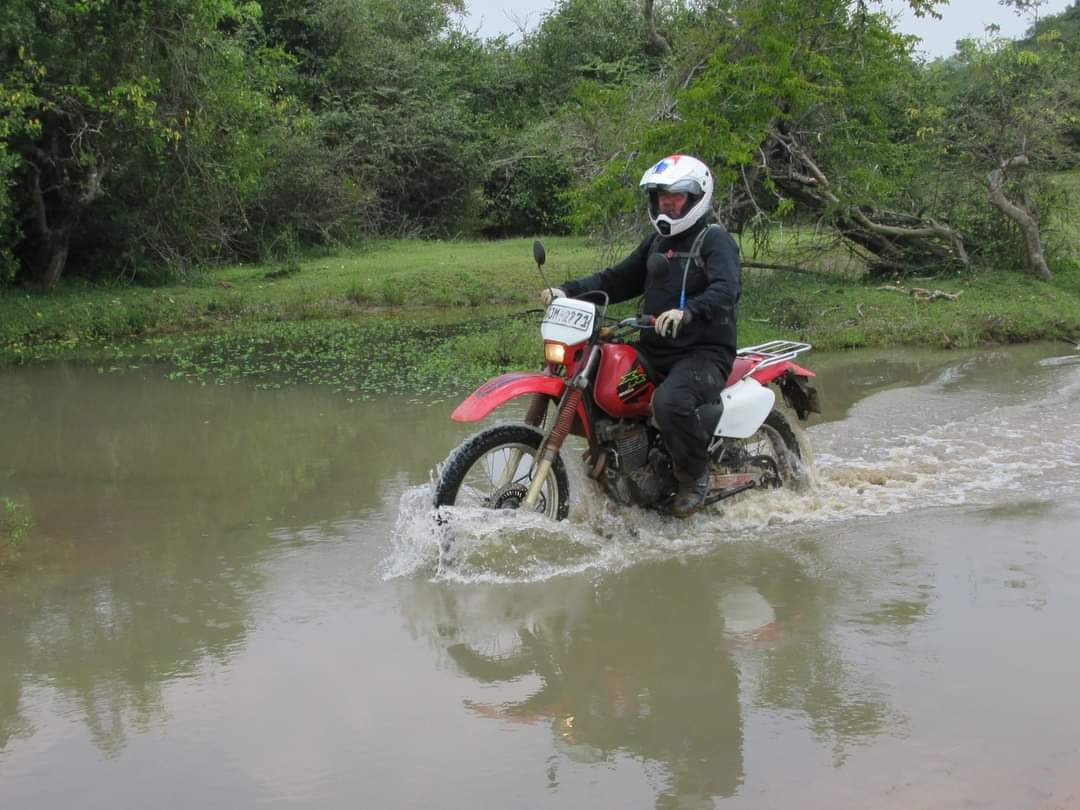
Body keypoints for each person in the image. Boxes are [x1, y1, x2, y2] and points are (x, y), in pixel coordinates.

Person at [541, 154, 741, 517]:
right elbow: (616, 279)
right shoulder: (656, 243)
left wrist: (688, 311)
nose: (667, 202)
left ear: (696, 197)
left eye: (676, 195)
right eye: (661, 195)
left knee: (669, 402)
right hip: (655, 349)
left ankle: (694, 477)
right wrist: (567, 291)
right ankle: (624, 462)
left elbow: (727, 289)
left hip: (704, 354)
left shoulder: (715, 240)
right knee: (600, 381)